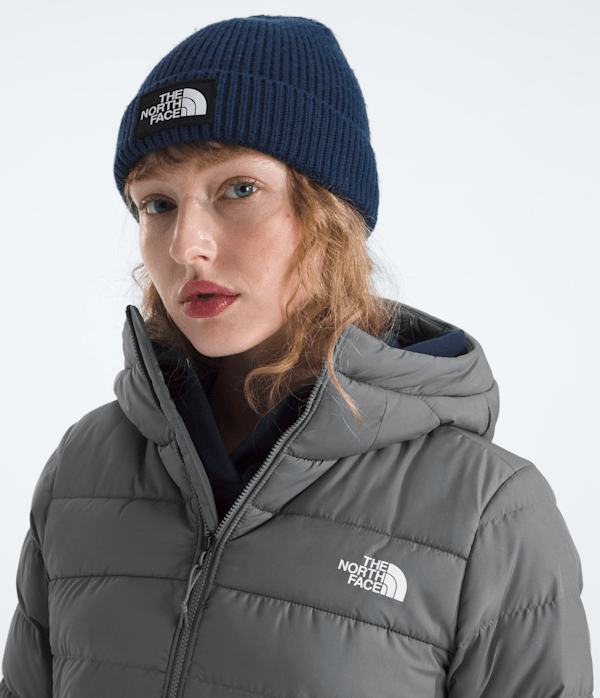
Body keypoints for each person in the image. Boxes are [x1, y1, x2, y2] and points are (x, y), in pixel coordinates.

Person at [0, 14, 593, 698]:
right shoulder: (83, 471)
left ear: (330, 215)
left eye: (238, 190)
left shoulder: (488, 513)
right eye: (157, 204)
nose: (187, 245)